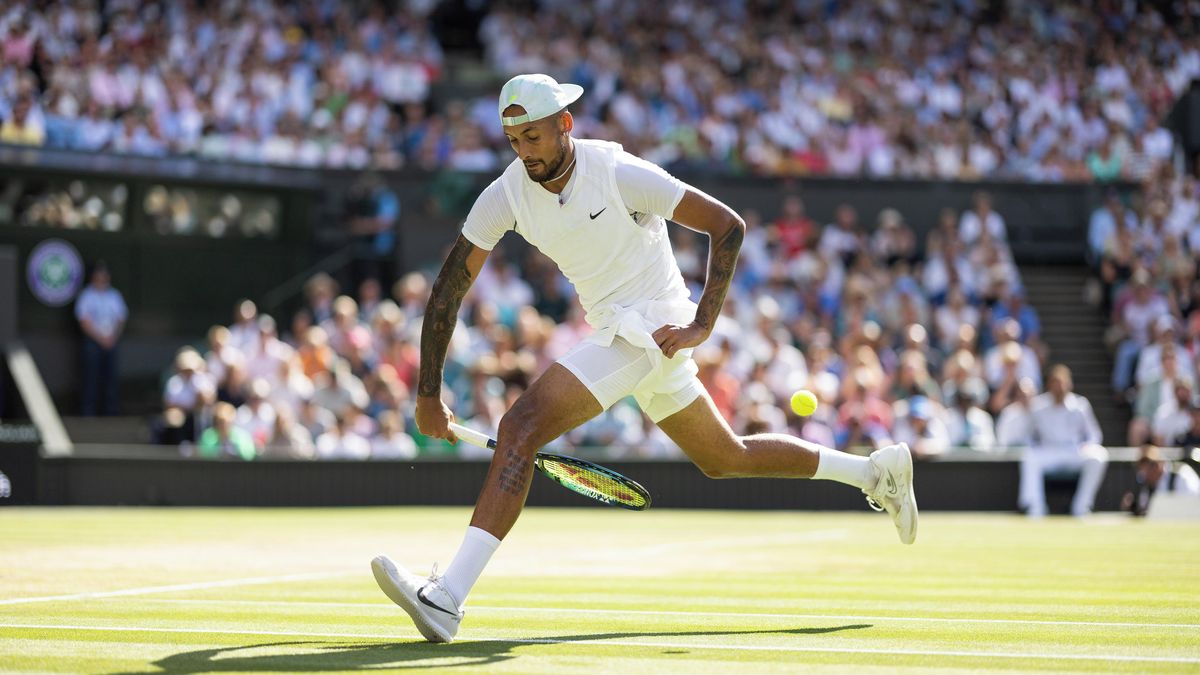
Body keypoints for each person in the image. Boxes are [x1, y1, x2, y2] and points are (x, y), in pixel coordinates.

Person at [371, 74, 919, 644]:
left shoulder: (619, 174)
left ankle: (448, 597)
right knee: (724, 457)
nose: (524, 151)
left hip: (653, 327)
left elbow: (727, 224)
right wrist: (428, 392)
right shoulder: (506, 194)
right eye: (514, 140)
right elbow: (447, 291)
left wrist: (703, 321)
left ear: (564, 124)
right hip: (622, 332)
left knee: (520, 428)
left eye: (533, 136)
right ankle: (874, 472)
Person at [1019, 365, 1108, 518]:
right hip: (1048, 452)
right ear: (1049, 385)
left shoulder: (1080, 405)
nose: (1058, 387)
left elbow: (1094, 435)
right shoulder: (1038, 406)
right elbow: (1028, 435)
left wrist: (1086, 446)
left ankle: (1082, 506)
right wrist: (1035, 446)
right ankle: (1035, 507)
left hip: (1074, 452)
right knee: (1029, 457)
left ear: (1069, 384)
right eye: (1055, 382)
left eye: (1062, 382)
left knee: (1099, 456)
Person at [75, 261, 127, 416]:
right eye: (99, 274)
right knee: (91, 378)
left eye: (104, 275)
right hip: (93, 343)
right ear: (93, 277)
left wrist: (112, 337)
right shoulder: (86, 295)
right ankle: (88, 412)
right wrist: (100, 338)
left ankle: (110, 412)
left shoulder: (115, 295)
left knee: (110, 378)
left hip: (112, 341)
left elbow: (121, 319)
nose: (102, 277)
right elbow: (84, 321)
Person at [1121, 445, 1200, 516]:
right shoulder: (1147, 487)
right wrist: (1133, 508)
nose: (1145, 477)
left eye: (1147, 472)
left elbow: (1192, 503)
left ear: (1157, 465)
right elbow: (1146, 511)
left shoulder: (1181, 474)